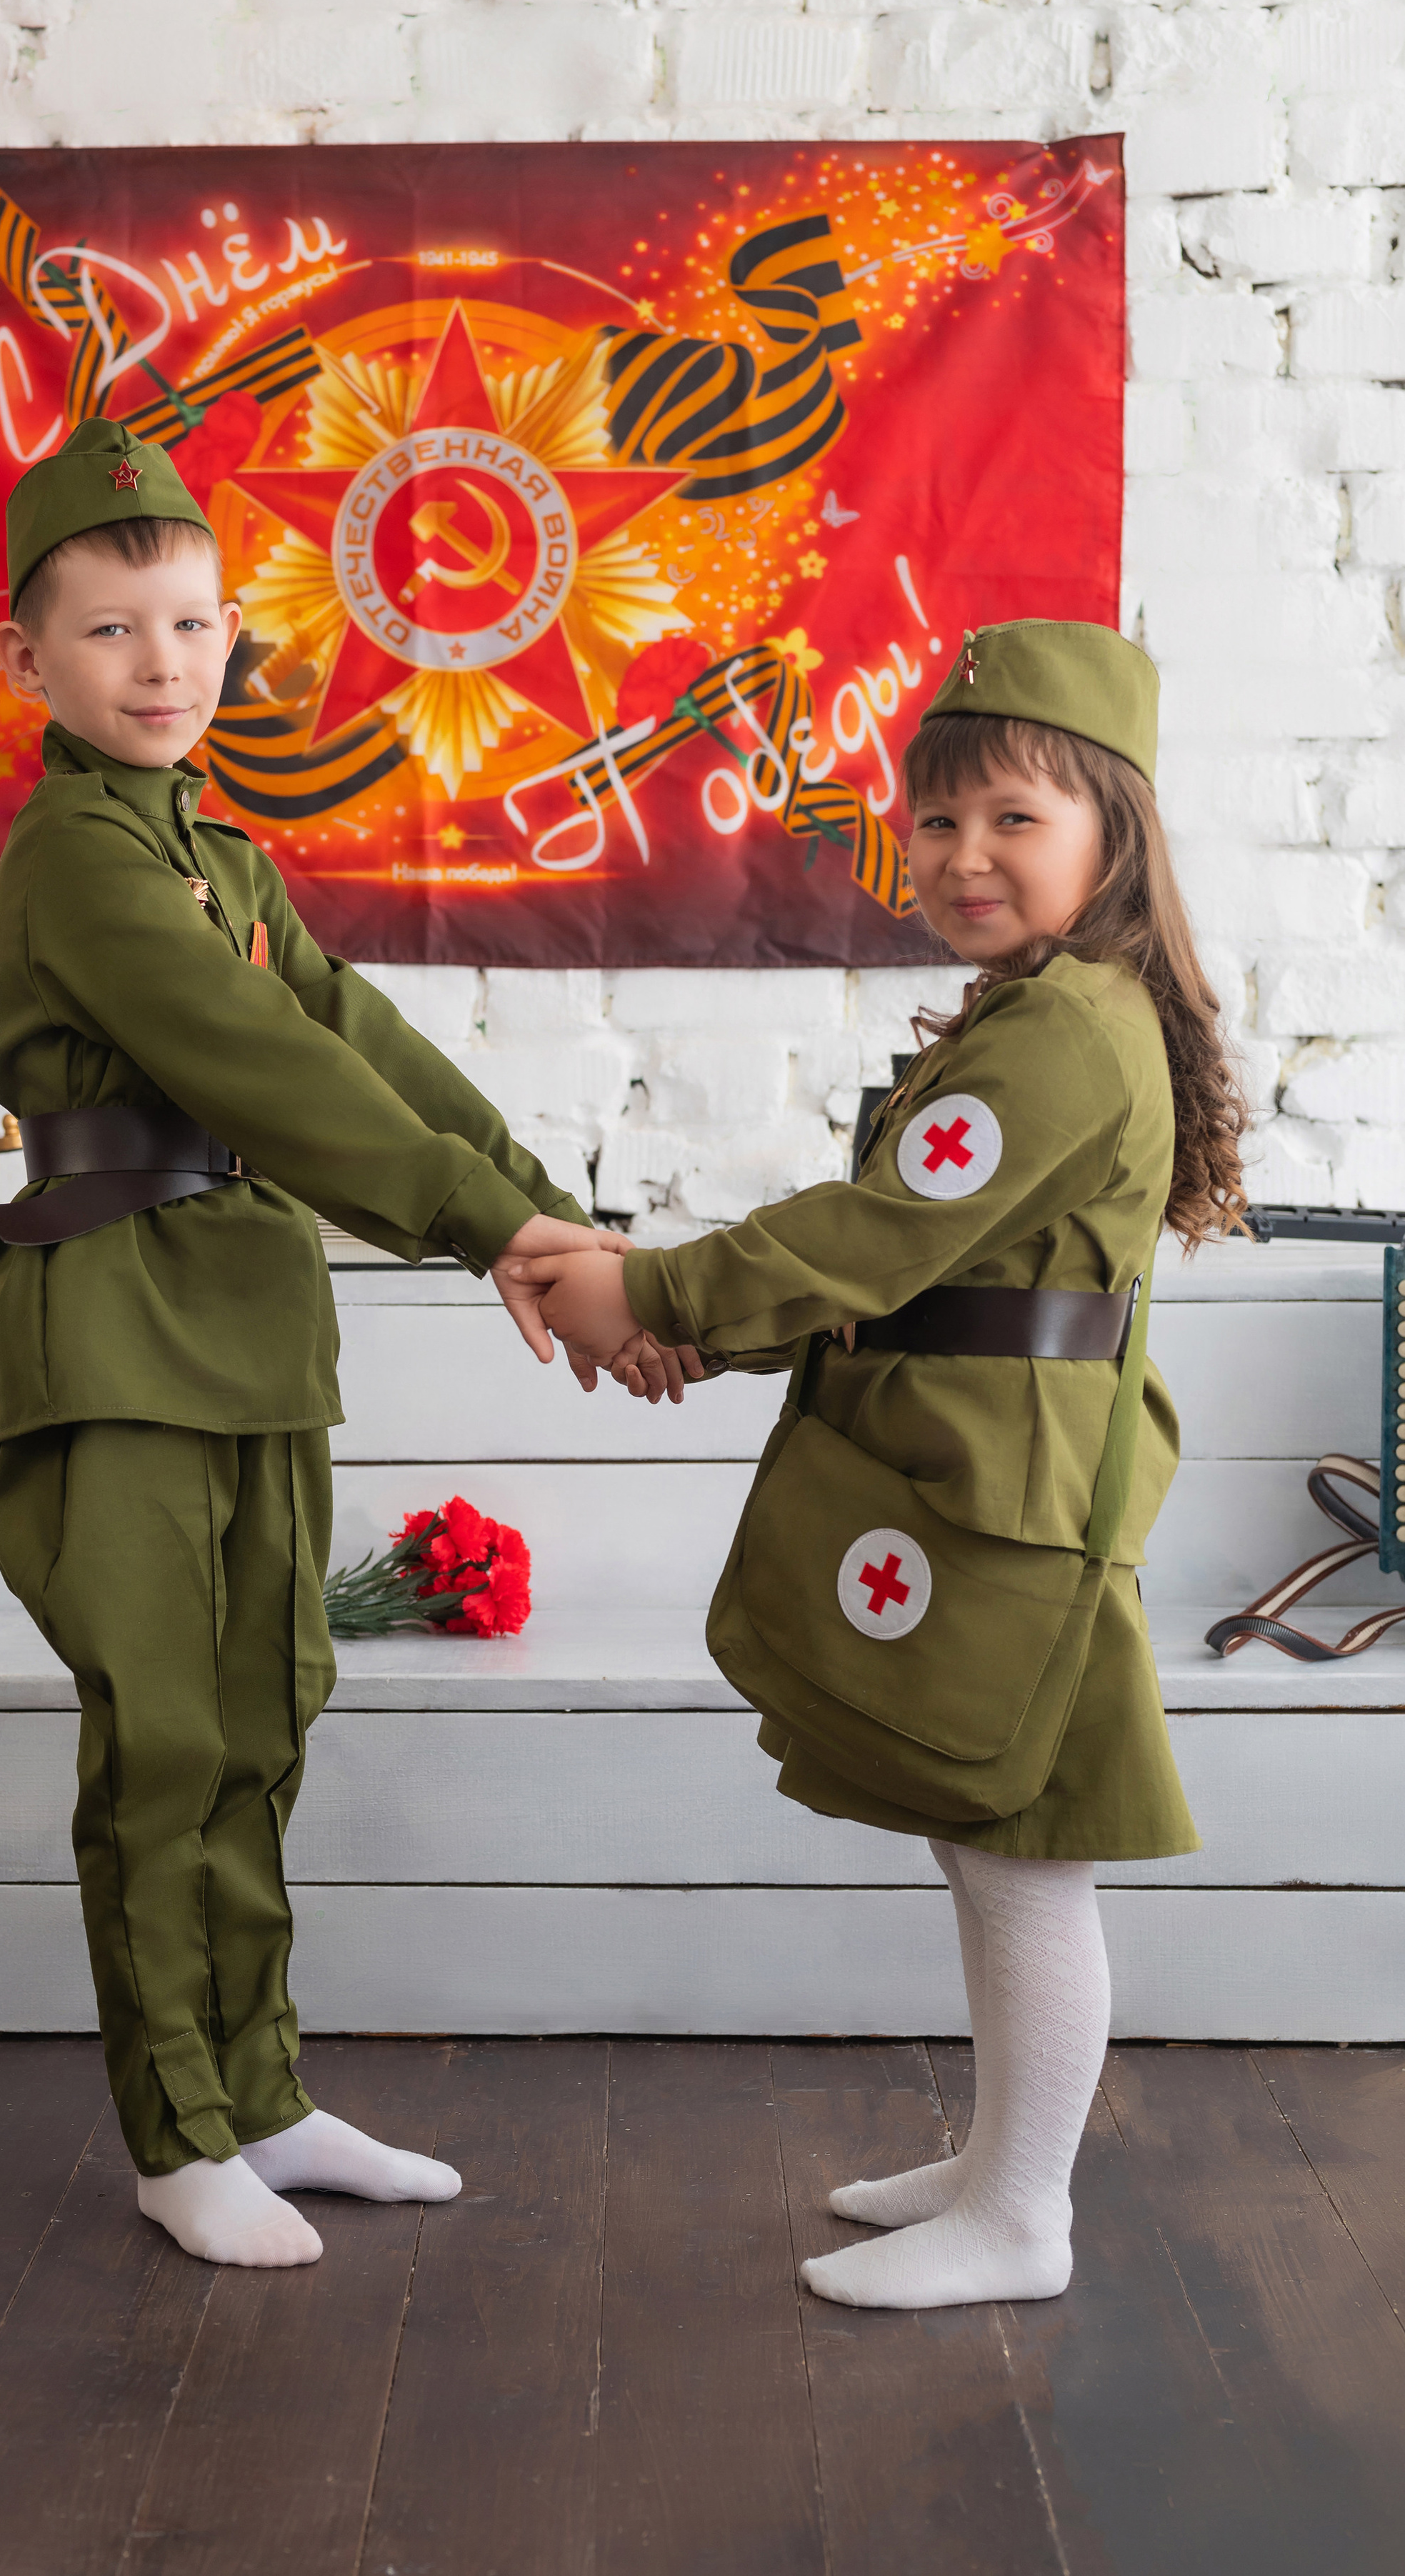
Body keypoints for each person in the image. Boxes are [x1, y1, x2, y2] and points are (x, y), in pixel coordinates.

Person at [0, 416, 640, 2270]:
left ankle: (261, 2094)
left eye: (192, 623)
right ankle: (177, 2134)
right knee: (165, 1740)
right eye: (111, 630)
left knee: (264, 1713)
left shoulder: (219, 852)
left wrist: (551, 1213)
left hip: (249, 1322)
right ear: (26, 658)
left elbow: (358, 1039)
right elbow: (257, 1064)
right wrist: (487, 1228)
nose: (163, 663)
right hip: (113, 1328)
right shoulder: (78, 857)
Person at [511, 620, 1249, 2312]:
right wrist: (678, 1312)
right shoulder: (1049, 1010)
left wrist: (652, 1296)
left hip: (1012, 1506)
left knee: (1019, 1856)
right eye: (935, 821)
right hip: (981, 1480)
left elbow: (868, 1235)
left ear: (1112, 836)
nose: (962, 854)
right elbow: (907, 1263)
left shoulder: (1064, 1029)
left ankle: (1021, 2217)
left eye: (1012, 819)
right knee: (986, 1846)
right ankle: (998, 2169)